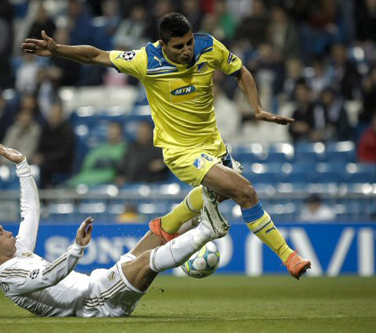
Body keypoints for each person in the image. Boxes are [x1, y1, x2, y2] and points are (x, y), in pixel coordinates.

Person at [21, 12, 311, 279]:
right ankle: (290, 258)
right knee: (244, 191)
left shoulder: (208, 46)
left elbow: (241, 71)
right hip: (181, 153)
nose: (187, 50)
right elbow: (97, 55)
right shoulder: (146, 60)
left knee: (221, 195)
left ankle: (155, 237)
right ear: (163, 45)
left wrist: (257, 109)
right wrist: (58, 50)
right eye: (179, 47)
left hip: (214, 148)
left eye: (188, 43)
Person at [0, 142, 223, 317]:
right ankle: (207, 230)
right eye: (0, 233)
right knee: (147, 261)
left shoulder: (16, 252)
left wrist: (22, 165)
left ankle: (216, 194)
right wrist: (76, 249)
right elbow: (47, 277)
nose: (9, 233)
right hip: (97, 303)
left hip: (98, 286)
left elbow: (30, 211)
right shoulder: (10, 277)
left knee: (159, 232)